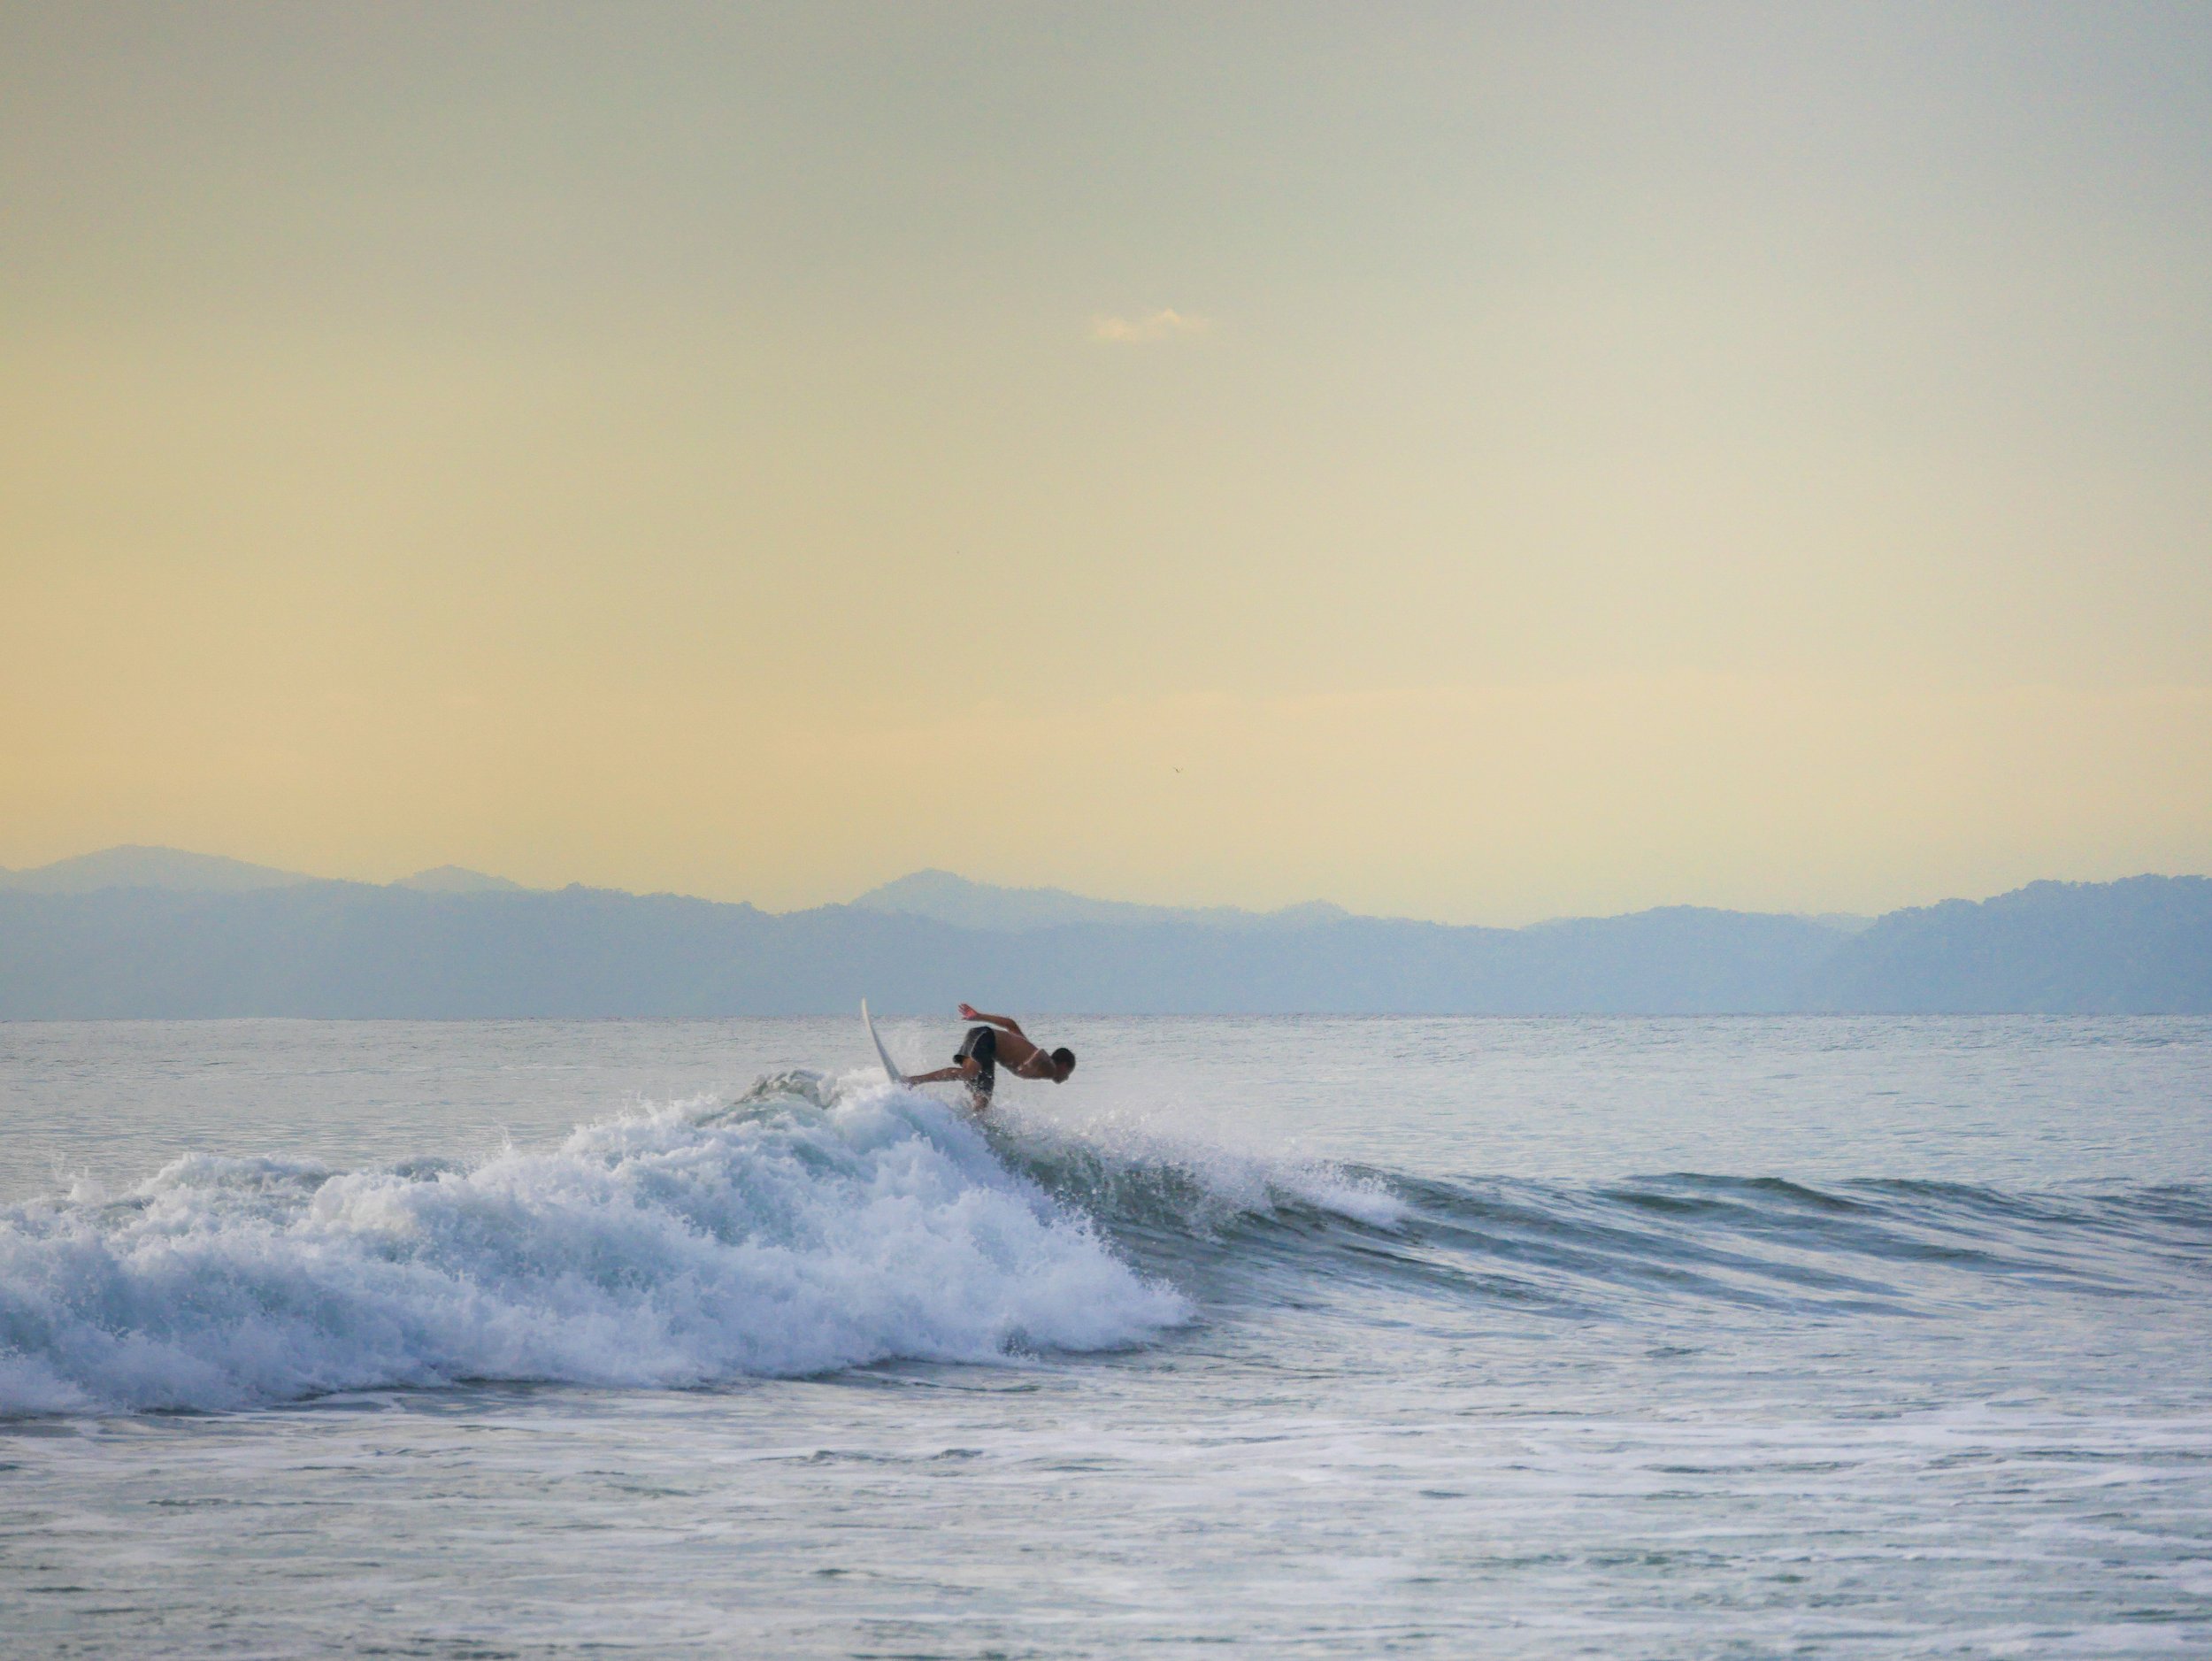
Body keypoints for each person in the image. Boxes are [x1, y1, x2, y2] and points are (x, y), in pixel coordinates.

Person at [902, 1003, 1075, 1111]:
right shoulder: (1050, 1069)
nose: (1066, 1078)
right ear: (1064, 1065)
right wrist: (1028, 1066)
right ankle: (913, 1081)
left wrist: (978, 1016)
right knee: (969, 1073)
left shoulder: (1026, 1047)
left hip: (987, 1049)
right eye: (1068, 1073)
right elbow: (1043, 1054)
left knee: (983, 1100)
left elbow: (1010, 1024)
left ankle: (970, 1128)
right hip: (985, 1038)